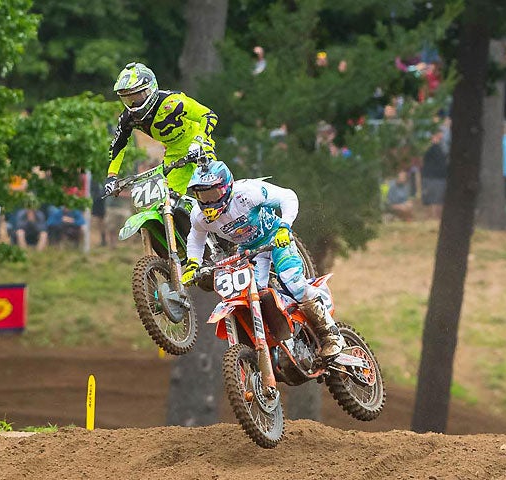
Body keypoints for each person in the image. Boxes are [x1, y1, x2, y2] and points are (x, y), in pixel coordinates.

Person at [181, 161, 344, 358]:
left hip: (275, 238)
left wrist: (285, 227)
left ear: (226, 188)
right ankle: (280, 340)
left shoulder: (246, 193)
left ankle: (330, 335)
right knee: (249, 296)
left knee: (292, 281)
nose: (207, 202)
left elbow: (288, 197)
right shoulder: (199, 216)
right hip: (248, 250)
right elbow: (196, 239)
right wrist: (193, 264)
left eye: (212, 195)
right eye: (202, 196)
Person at [104, 62, 219, 197]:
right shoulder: (127, 118)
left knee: (211, 189)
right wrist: (112, 176)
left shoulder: (173, 102)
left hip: (199, 144)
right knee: (168, 199)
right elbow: (118, 145)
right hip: (174, 153)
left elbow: (209, 115)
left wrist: (198, 141)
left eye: (137, 97)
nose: (134, 104)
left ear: (150, 89)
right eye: (128, 99)